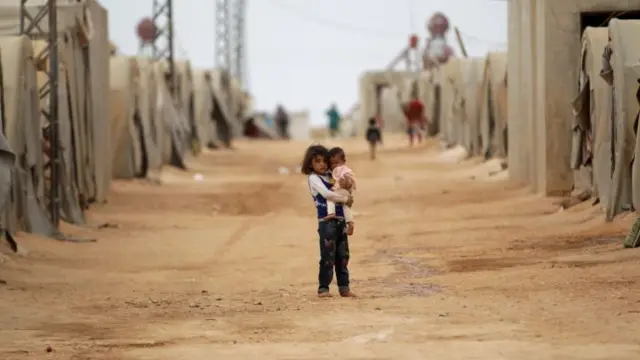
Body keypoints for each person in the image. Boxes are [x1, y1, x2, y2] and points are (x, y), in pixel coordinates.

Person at [301, 145, 356, 298]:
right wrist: (345, 198)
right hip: (327, 223)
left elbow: (345, 189)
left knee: (343, 256)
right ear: (310, 164)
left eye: (325, 161)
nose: (322, 164)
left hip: (340, 221)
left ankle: (344, 287)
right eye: (317, 161)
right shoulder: (314, 178)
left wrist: (348, 187)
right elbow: (327, 194)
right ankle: (323, 288)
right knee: (327, 256)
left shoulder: (332, 175)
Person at [326, 147, 356, 235]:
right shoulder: (344, 171)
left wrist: (332, 187)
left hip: (341, 192)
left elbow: (335, 181)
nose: (334, 166)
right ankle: (350, 224)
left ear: (344, 161)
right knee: (346, 208)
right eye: (332, 164)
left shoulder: (341, 172)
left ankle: (331, 213)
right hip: (346, 194)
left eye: (336, 163)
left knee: (330, 198)